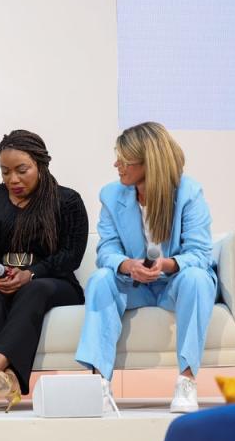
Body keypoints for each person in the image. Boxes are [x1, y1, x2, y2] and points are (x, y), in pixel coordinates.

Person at [75, 122, 216, 413]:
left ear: (148, 162)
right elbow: (107, 250)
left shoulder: (189, 193)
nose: (117, 164)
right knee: (101, 278)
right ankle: (100, 384)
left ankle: (187, 380)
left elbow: (200, 253)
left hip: (173, 283)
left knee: (198, 279)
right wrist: (127, 265)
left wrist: (167, 264)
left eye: (124, 160)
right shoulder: (111, 195)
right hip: (134, 285)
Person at [0, 130, 88, 412]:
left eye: (22, 170)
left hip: (54, 282)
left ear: (41, 164)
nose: (12, 180)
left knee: (34, 288)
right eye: (5, 172)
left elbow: (71, 256)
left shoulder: (67, 201)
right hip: (3, 277)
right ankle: (8, 379)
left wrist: (33, 272)